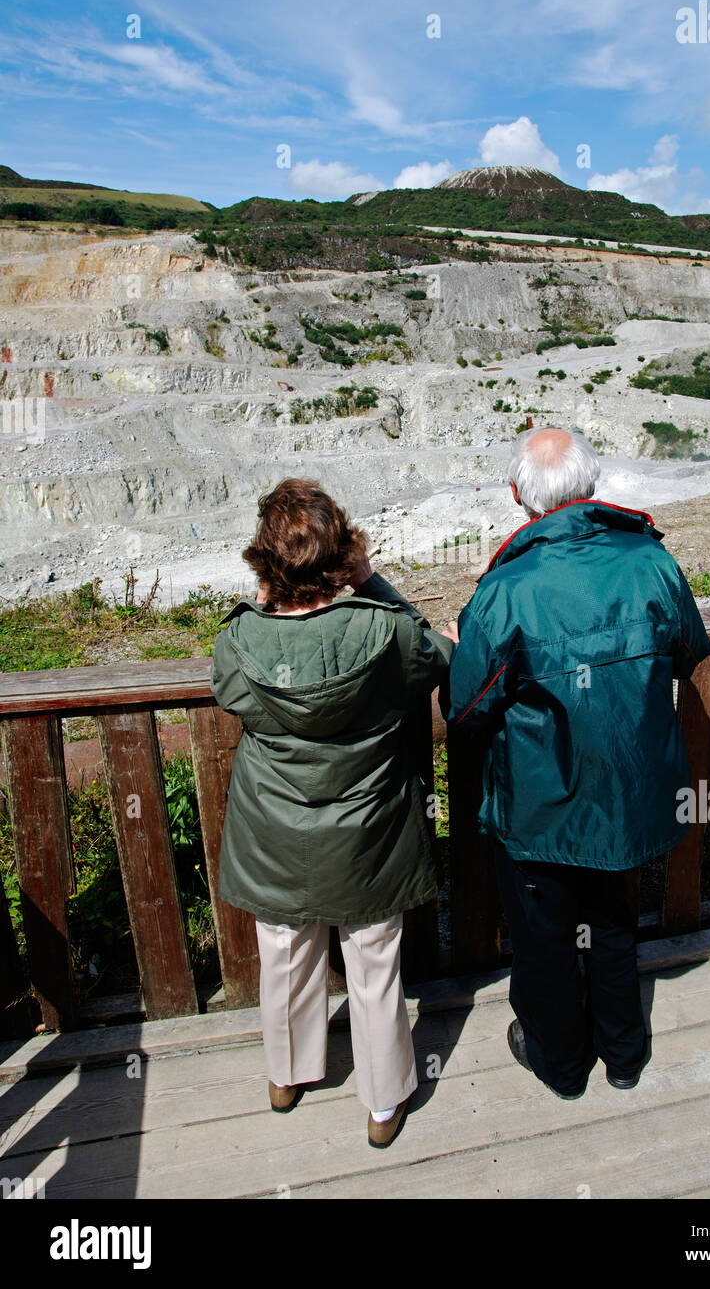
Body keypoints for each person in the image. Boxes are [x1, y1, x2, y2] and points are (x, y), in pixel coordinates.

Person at [443, 428, 710, 1099]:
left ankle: (561, 1066)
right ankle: (623, 1055)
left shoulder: (505, 589)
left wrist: (462, 643)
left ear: (517, 495)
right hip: (626, 794)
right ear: (591, 484)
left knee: (545, 939)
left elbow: (468, 708)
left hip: (542, 804)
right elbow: (687, 649)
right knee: (614, 923)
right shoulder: (651, 563)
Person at [211, 478, 453, 1147]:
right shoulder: (384, 632)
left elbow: (228, 691)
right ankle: (382, 1106)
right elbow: (438, 654)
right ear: (342, 555)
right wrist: (373, 581)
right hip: (370, 836)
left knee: (285, 953)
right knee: (375, 967)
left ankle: (287, 1075)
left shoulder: (238, 641)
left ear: (265, 563)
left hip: (276, 836)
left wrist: (263, 604)